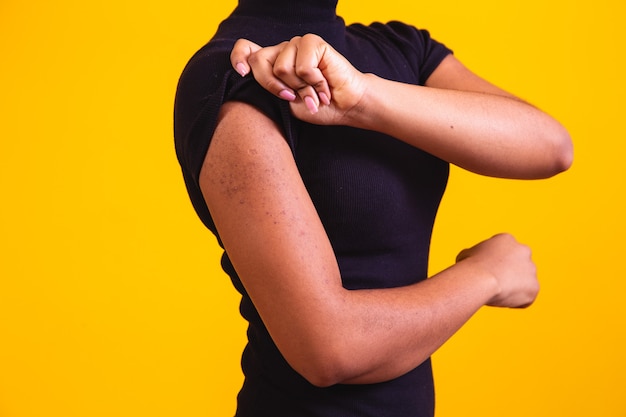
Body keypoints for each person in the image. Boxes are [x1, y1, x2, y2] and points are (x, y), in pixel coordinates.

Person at [173, 0, 573, 415]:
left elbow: (551, 147)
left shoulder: (400, 50)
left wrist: (363, 97)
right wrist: (485, 275)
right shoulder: (238, 73)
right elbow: (329, 348)